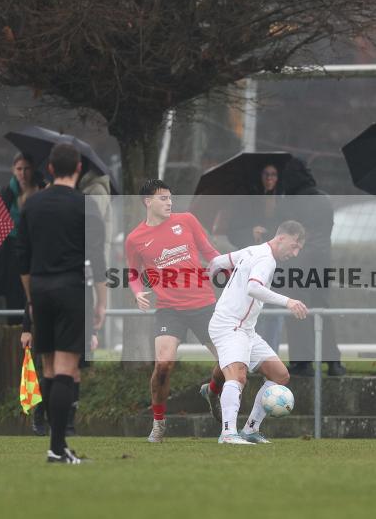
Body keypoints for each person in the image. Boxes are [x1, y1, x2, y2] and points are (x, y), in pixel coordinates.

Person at [17, 143, 107, 464]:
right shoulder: (86, 206)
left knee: (51, 369)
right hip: (72, 288)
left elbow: (23, 260)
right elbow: (97, 258)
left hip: (40, 289)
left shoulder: (32, 205)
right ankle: (57, 446)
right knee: (67, 368)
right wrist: (101, 302)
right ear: (79, 169)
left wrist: (30, 298)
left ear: (50, 169)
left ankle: (56, 445)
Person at [125, 179, 226, 443]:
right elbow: (133, 274)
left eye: (170, 198)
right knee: (164, 365)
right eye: (163, 199)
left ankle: (212, 391)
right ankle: (159, 424)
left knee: (229, 363)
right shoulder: (135, 239)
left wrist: (230, 268)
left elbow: (209, 252)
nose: (169, 202)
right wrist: (137, 293)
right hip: (169, 310)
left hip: (204, 305)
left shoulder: (188, 221)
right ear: (148, 202)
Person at [206, 220, 308, 444]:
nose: (296, 252)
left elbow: (218, 262)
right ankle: (228, 433)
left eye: (299, 248)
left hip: (246, 329)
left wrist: (204, 275)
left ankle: (250, 429)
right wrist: (288, 301)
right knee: (238, 376)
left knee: (280, 375)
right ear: (281, 238)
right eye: (294, 246)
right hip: (230, 325)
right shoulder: (266, 259)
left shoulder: (253, 249)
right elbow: (253, 287)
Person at [280, 158, 346, 378]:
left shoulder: (290, 202)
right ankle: (333, 362)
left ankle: (302, 363)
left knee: (298, 312)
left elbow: (284, 234)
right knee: (322, 312)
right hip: (323, 261)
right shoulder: (324, 199)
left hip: (298, 264)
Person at [226, 163, 285, 352]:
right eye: (266, 174)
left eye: (274, 174)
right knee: (250, 312)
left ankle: (270, 355)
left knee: (274, 313)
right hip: (251, 266)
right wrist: (250, 232)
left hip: (276, 268)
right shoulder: (247, 200)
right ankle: (246, 355)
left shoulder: (284, 201)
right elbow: (232, 232)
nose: (270, 179)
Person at [0, 152, 45, 322]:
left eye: (27, 169)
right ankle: (17, 345)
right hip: (12, 257)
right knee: (14, 304)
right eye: (19, 169)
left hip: (37, 254)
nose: (23, 173)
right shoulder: (7, 193)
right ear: (13, 170)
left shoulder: (43, 189)